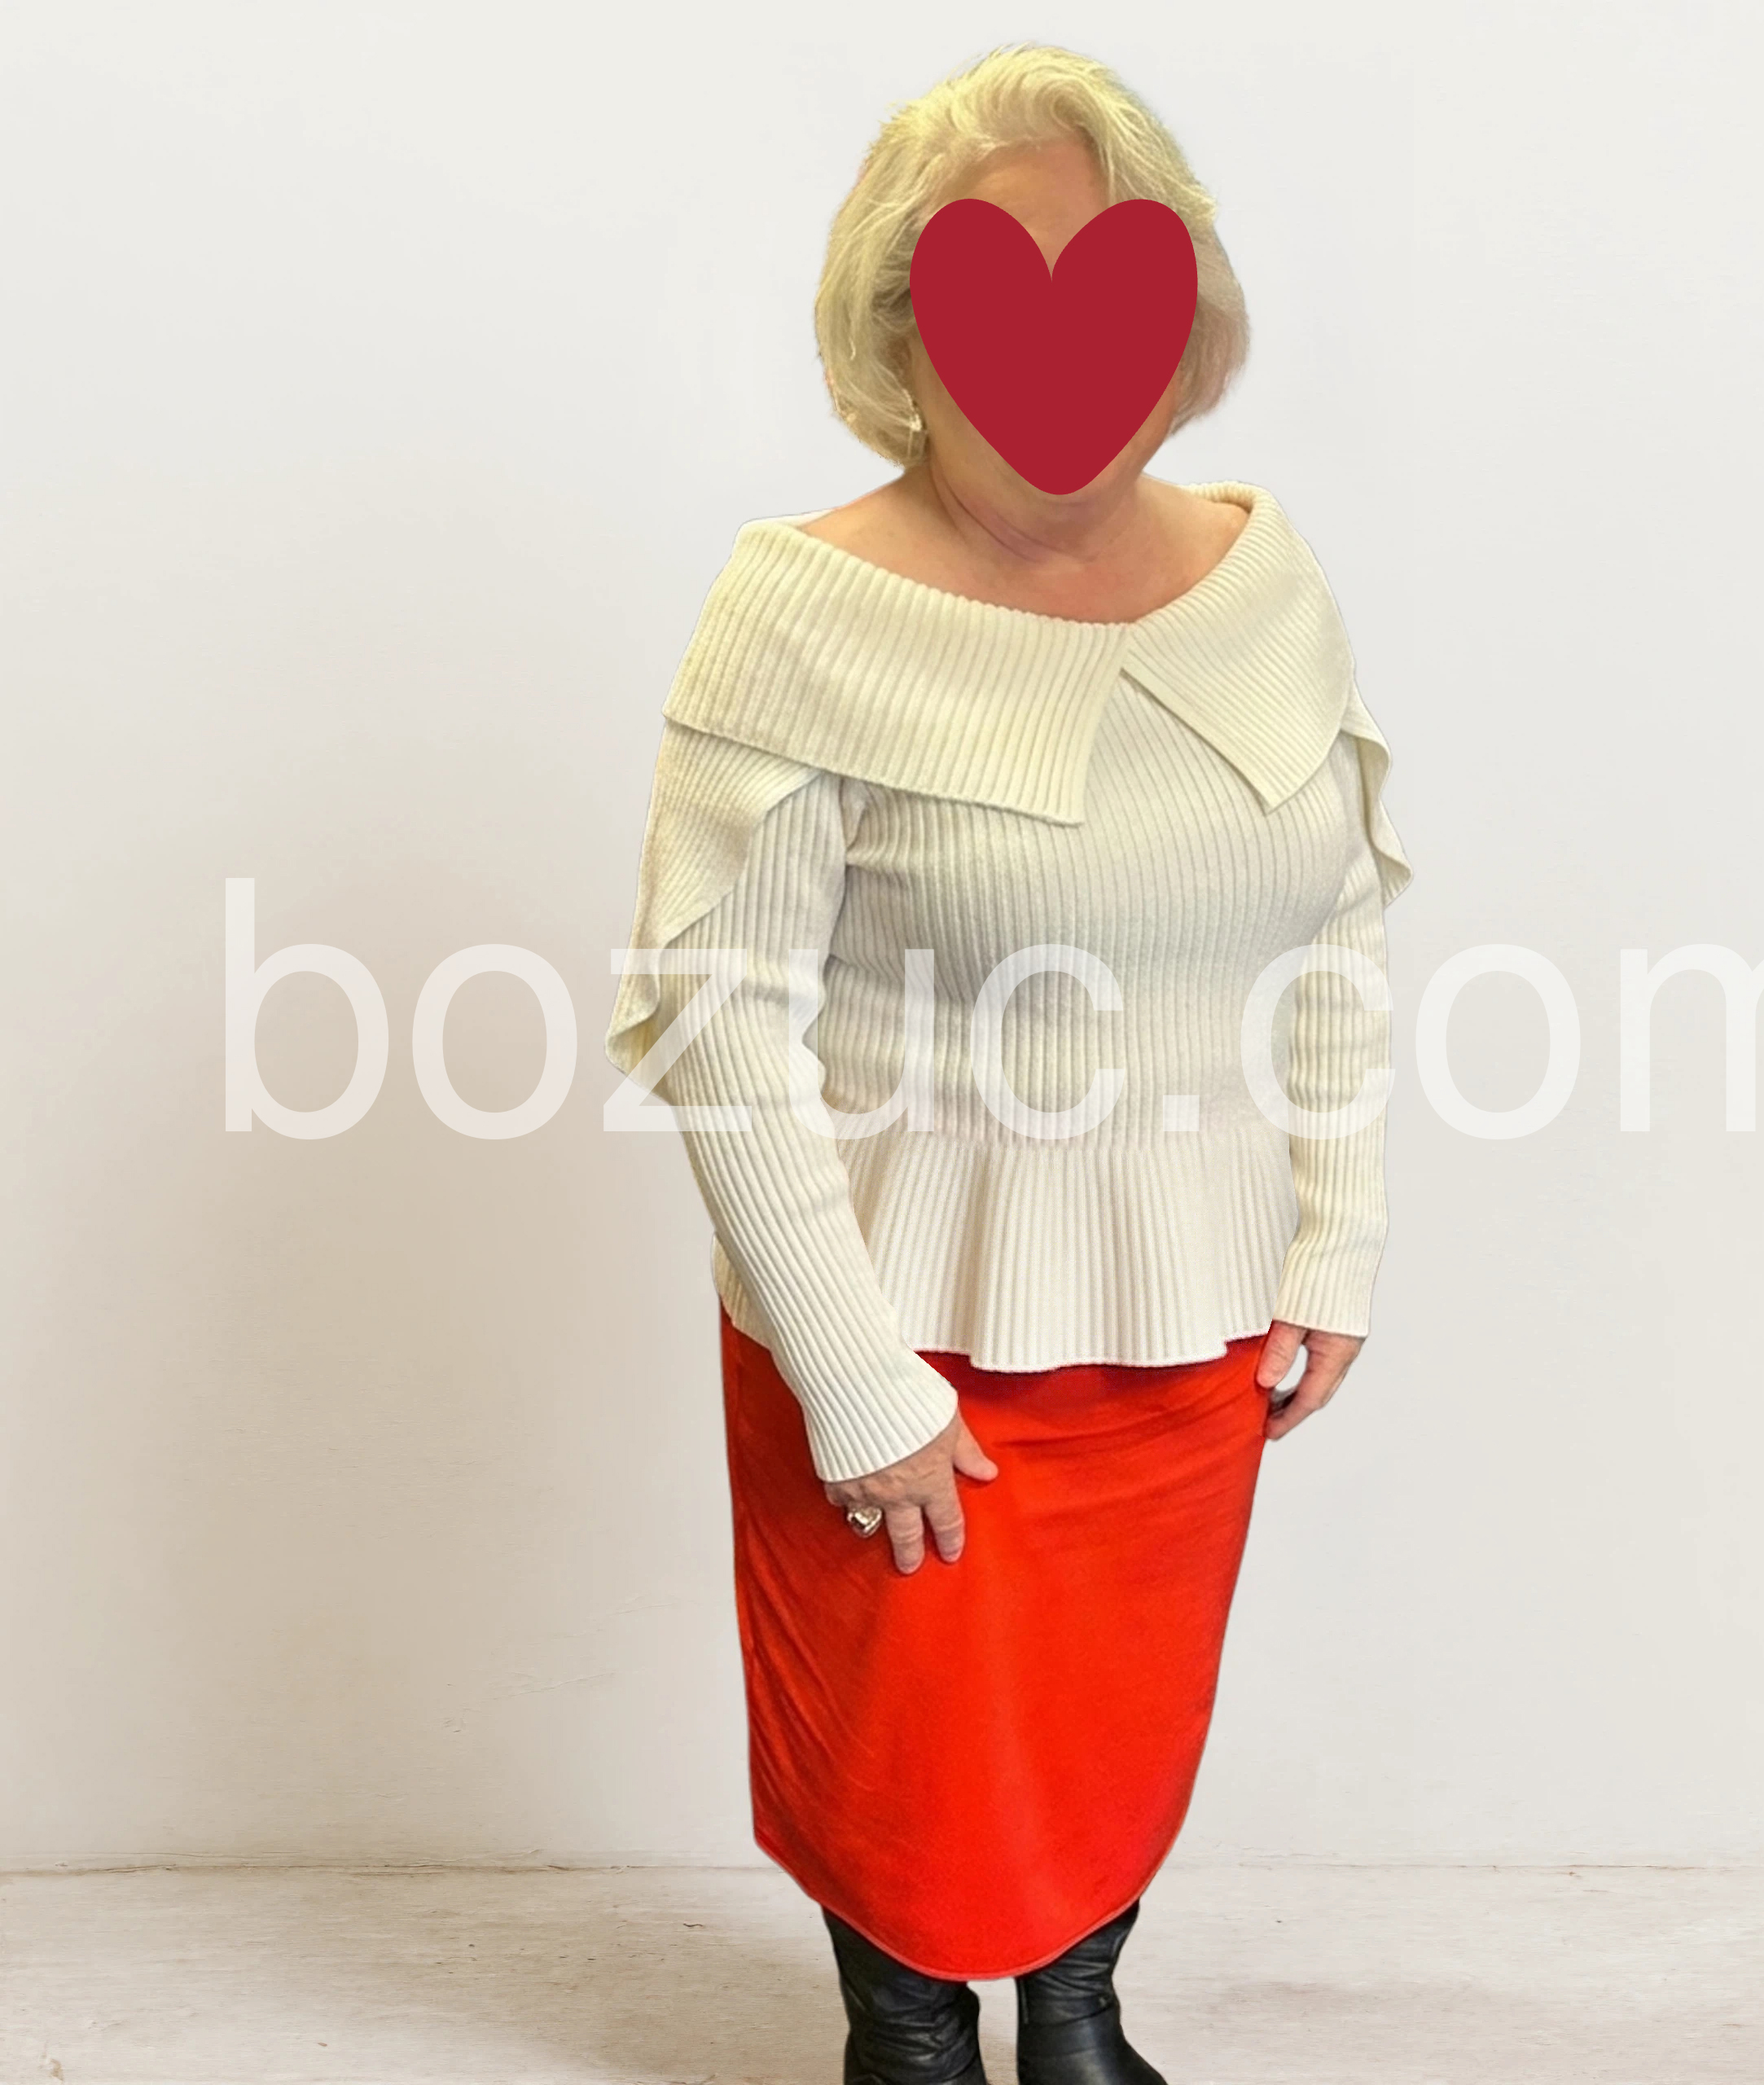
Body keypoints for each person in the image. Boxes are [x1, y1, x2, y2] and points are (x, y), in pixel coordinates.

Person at [605, 42, 1411, 2085]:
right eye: (996, 287)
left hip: (1191, 1305)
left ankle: (1075, 2021)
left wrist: (1337, 1231)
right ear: (900, 326)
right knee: (901, 1738)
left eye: (1112, 280)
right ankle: (904, 2044)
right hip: (900, 1317)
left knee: (1118, 1708)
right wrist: (851, 1371)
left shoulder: (1258, 574)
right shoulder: (802, 611)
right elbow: (715, 1014)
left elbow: (1336, 914)